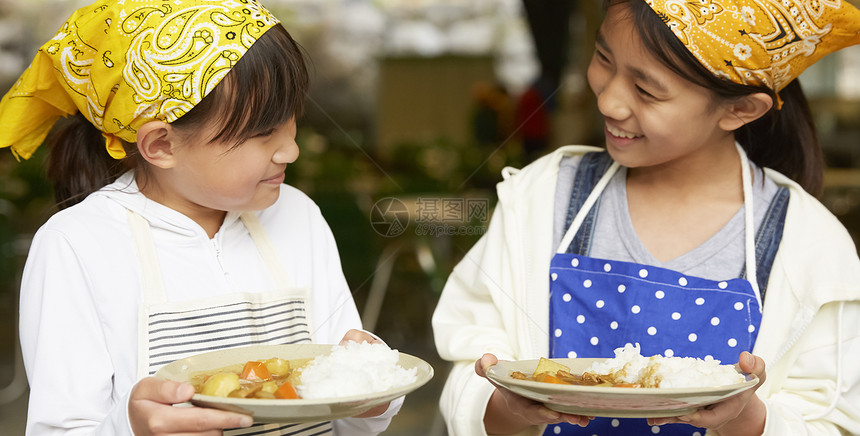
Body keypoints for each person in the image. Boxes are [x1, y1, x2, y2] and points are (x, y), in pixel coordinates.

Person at [432, 0, 860, 435]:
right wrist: (505, 408)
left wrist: (748, 421)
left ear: (739, 110)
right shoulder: (543, 197)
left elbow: (832, 422)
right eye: (603, 59)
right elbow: (471, 363)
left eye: (648, 90)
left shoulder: (811, 245)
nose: (610, 100)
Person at [0, 1, 404, 434]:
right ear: (161, 145)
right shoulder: (76, 244)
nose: (291, 150)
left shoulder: (299, 215)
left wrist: (370, 393)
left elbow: (344, 420)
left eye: (292, 123)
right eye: (263, 132)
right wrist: (131, 427)